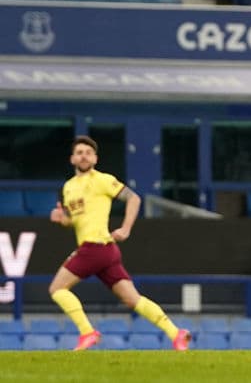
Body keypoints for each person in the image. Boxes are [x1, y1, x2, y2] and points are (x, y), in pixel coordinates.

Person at [48, 135, 191, 351]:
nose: (84, 156)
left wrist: (125, 229)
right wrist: (63, 219)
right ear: (72, 159)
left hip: (95, 247)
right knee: (133, 299)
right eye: (79, 153)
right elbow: (74, 220)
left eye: (88, 153)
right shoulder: (69, 187)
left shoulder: (103, 180)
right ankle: (175, 333)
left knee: (57, 288)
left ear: (95, 158)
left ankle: (87, 332)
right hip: (105, 251)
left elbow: (134, 198)